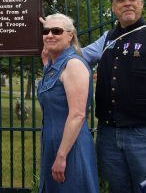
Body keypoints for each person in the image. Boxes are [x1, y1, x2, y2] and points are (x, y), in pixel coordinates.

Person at [47, 0, 146, 193]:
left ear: (141, 3)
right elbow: (77, 57)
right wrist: (54, 34)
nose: (127, 3)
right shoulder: (107, 39)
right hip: (109, 137)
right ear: (114, 7)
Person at [37, 13, 99, 193]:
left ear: (70, 35)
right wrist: (47, 63)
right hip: (53, 143)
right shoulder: (53, 64)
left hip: (70, 146)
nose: (49, 35)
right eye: (46, 31)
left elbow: (78, 115)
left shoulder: (73, 65)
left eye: (56, 31)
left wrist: (62, 155)